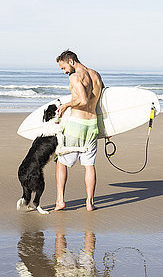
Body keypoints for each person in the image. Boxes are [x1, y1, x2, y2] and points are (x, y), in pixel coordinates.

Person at [54, 50, 104, 212]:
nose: (64, 72)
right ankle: (89, 203)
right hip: (92, 125)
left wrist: (66, 105)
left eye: (63, 68)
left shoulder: (75, 77)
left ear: (71, 60)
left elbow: (82, 100)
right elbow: (101, 103)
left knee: (61, 161)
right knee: (89, 165)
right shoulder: (96, 75)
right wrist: (106, 130)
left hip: (76, 124)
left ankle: (60, 200)